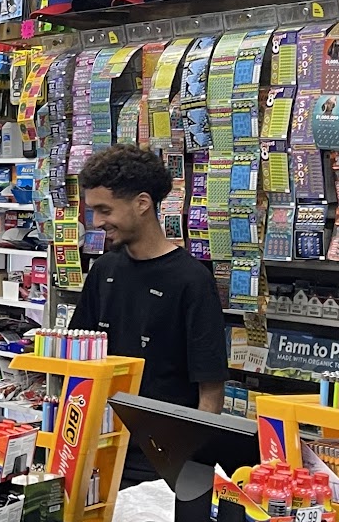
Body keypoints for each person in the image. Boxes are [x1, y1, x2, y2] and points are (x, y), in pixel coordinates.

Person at [70, 144, 226, 417]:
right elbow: (77, 359)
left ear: (142, 203)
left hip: (164, 438)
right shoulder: (103, 270)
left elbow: (211, 390)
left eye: (105, 210)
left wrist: (191, 443)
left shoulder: (192, 280)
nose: (96, 222)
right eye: (93, 211)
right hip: (103, 433)